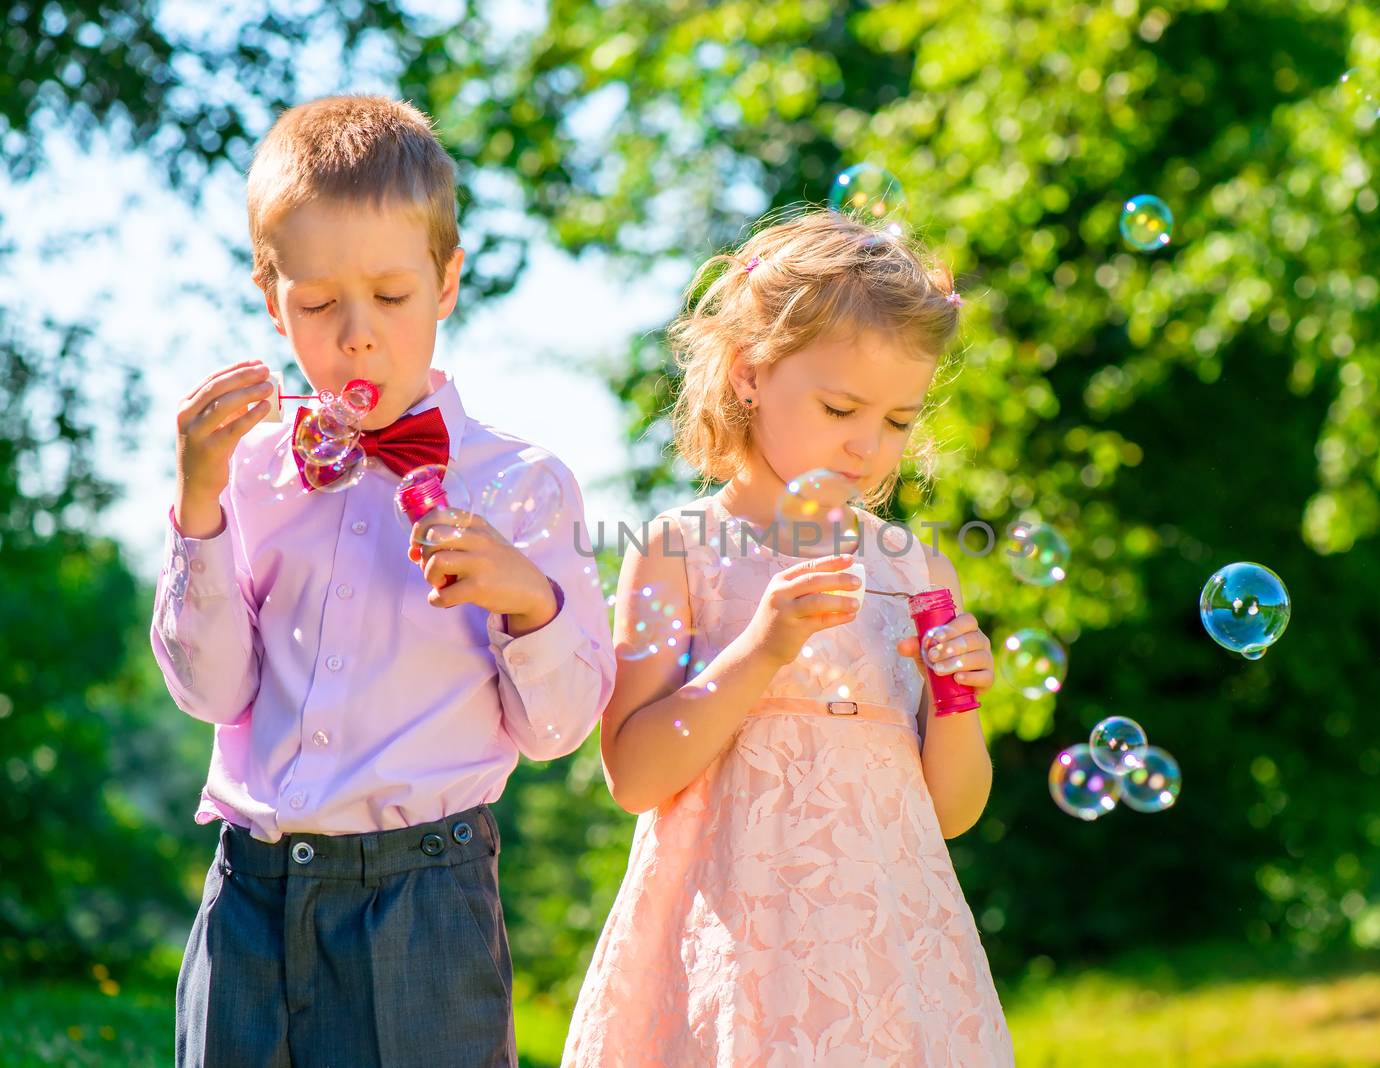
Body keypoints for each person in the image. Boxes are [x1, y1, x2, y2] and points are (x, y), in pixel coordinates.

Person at [151, 94, 615, 1067]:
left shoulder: (520, 486)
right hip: (250, 892)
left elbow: (557, 728)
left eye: (392, 297)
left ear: (447, 281)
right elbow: (211, 691)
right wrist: (199, 510)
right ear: (270, 295)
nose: (356, 336)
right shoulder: (244, 471)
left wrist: (529, 602)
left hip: (424, 901)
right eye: (318, 304)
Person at [563, 210, 1014, 1066]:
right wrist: (760, 649)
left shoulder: (917, 571)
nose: (867, 444)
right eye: (842, 406)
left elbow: (951, 811)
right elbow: (635, 773)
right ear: (748, 373)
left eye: (897, 421)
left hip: (890, 956)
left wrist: (957, 702)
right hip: (736, 952)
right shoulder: (680, 551)